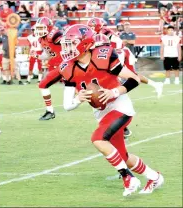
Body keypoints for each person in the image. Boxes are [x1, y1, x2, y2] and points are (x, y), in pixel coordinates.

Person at [58, 24, 164, 196]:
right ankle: (154, 177)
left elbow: (134, 79)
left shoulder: (103, 56)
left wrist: (114, 91)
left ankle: (128, 178)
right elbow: (67, 106)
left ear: (84, 44)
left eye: (72, 43)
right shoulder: (67, 67)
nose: (67, 48)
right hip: (102, 113)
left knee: (98, 139)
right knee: (123, 157)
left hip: (120, 107)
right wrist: (78, 99)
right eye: (66, 44)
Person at [87, 17, 164, 98]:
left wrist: (117, 54)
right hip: (116, 53)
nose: (90, 28)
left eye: (92, 26)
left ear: (98, 26)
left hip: (120, 52)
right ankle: (156, 84)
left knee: (118, 73)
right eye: (90, 26)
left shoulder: (104, 32)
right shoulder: (97, 33)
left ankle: (113, 94)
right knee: (133, 76)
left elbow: (119, 42)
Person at [32, 17, 63, 120]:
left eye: (42, 28)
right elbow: (48, 55)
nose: (39, 31)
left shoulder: (55, 35)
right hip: (57, 64)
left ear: (48, 28)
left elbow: (68, 44)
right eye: (38, 28)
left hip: (64, 64)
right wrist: (38, 56)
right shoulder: (42, 39)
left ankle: (50, 111)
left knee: (43, 85)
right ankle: (49, 111)